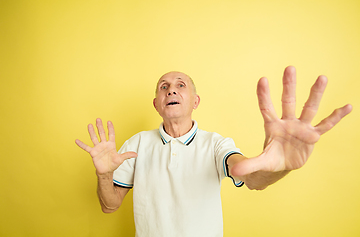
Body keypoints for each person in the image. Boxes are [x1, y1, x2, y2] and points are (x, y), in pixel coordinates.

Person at [75, 66, 352, 237]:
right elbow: (109, 205)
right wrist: (104, 173)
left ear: (195, 101)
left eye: (180, 85)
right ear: (157, 104)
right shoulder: (136, 144)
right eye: (164, 87)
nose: (171, 90)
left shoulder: (216, 144)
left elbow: (252, 178)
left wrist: (282, 165)